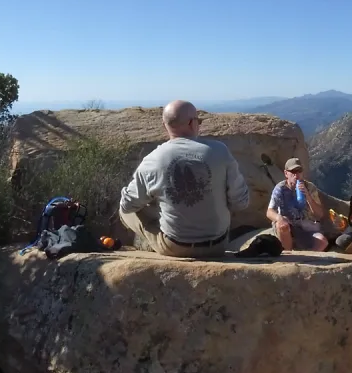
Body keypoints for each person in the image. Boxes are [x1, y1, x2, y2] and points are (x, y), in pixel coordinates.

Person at [119, 100, 250, 258]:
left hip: (175, 247)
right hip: (218, 245)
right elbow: (240, 203)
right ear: (191, 123)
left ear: (164, 125)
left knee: (125, 211)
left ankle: (146, 244)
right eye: (198, 121)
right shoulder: (220, 151)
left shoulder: (152, 159)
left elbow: (127, 206)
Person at [267, 157, 327, 252]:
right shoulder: (280, 188)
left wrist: (308, 196)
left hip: (306, 227)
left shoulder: (309, 187)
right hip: (289, 226)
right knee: (282, 225)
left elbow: (319, 214)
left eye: (299, 171)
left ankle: (307, 260)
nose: (296, 175)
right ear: (286, 173)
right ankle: (288, 255)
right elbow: (269, 212)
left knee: (322, 241)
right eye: (293, 171)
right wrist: (279, 218)